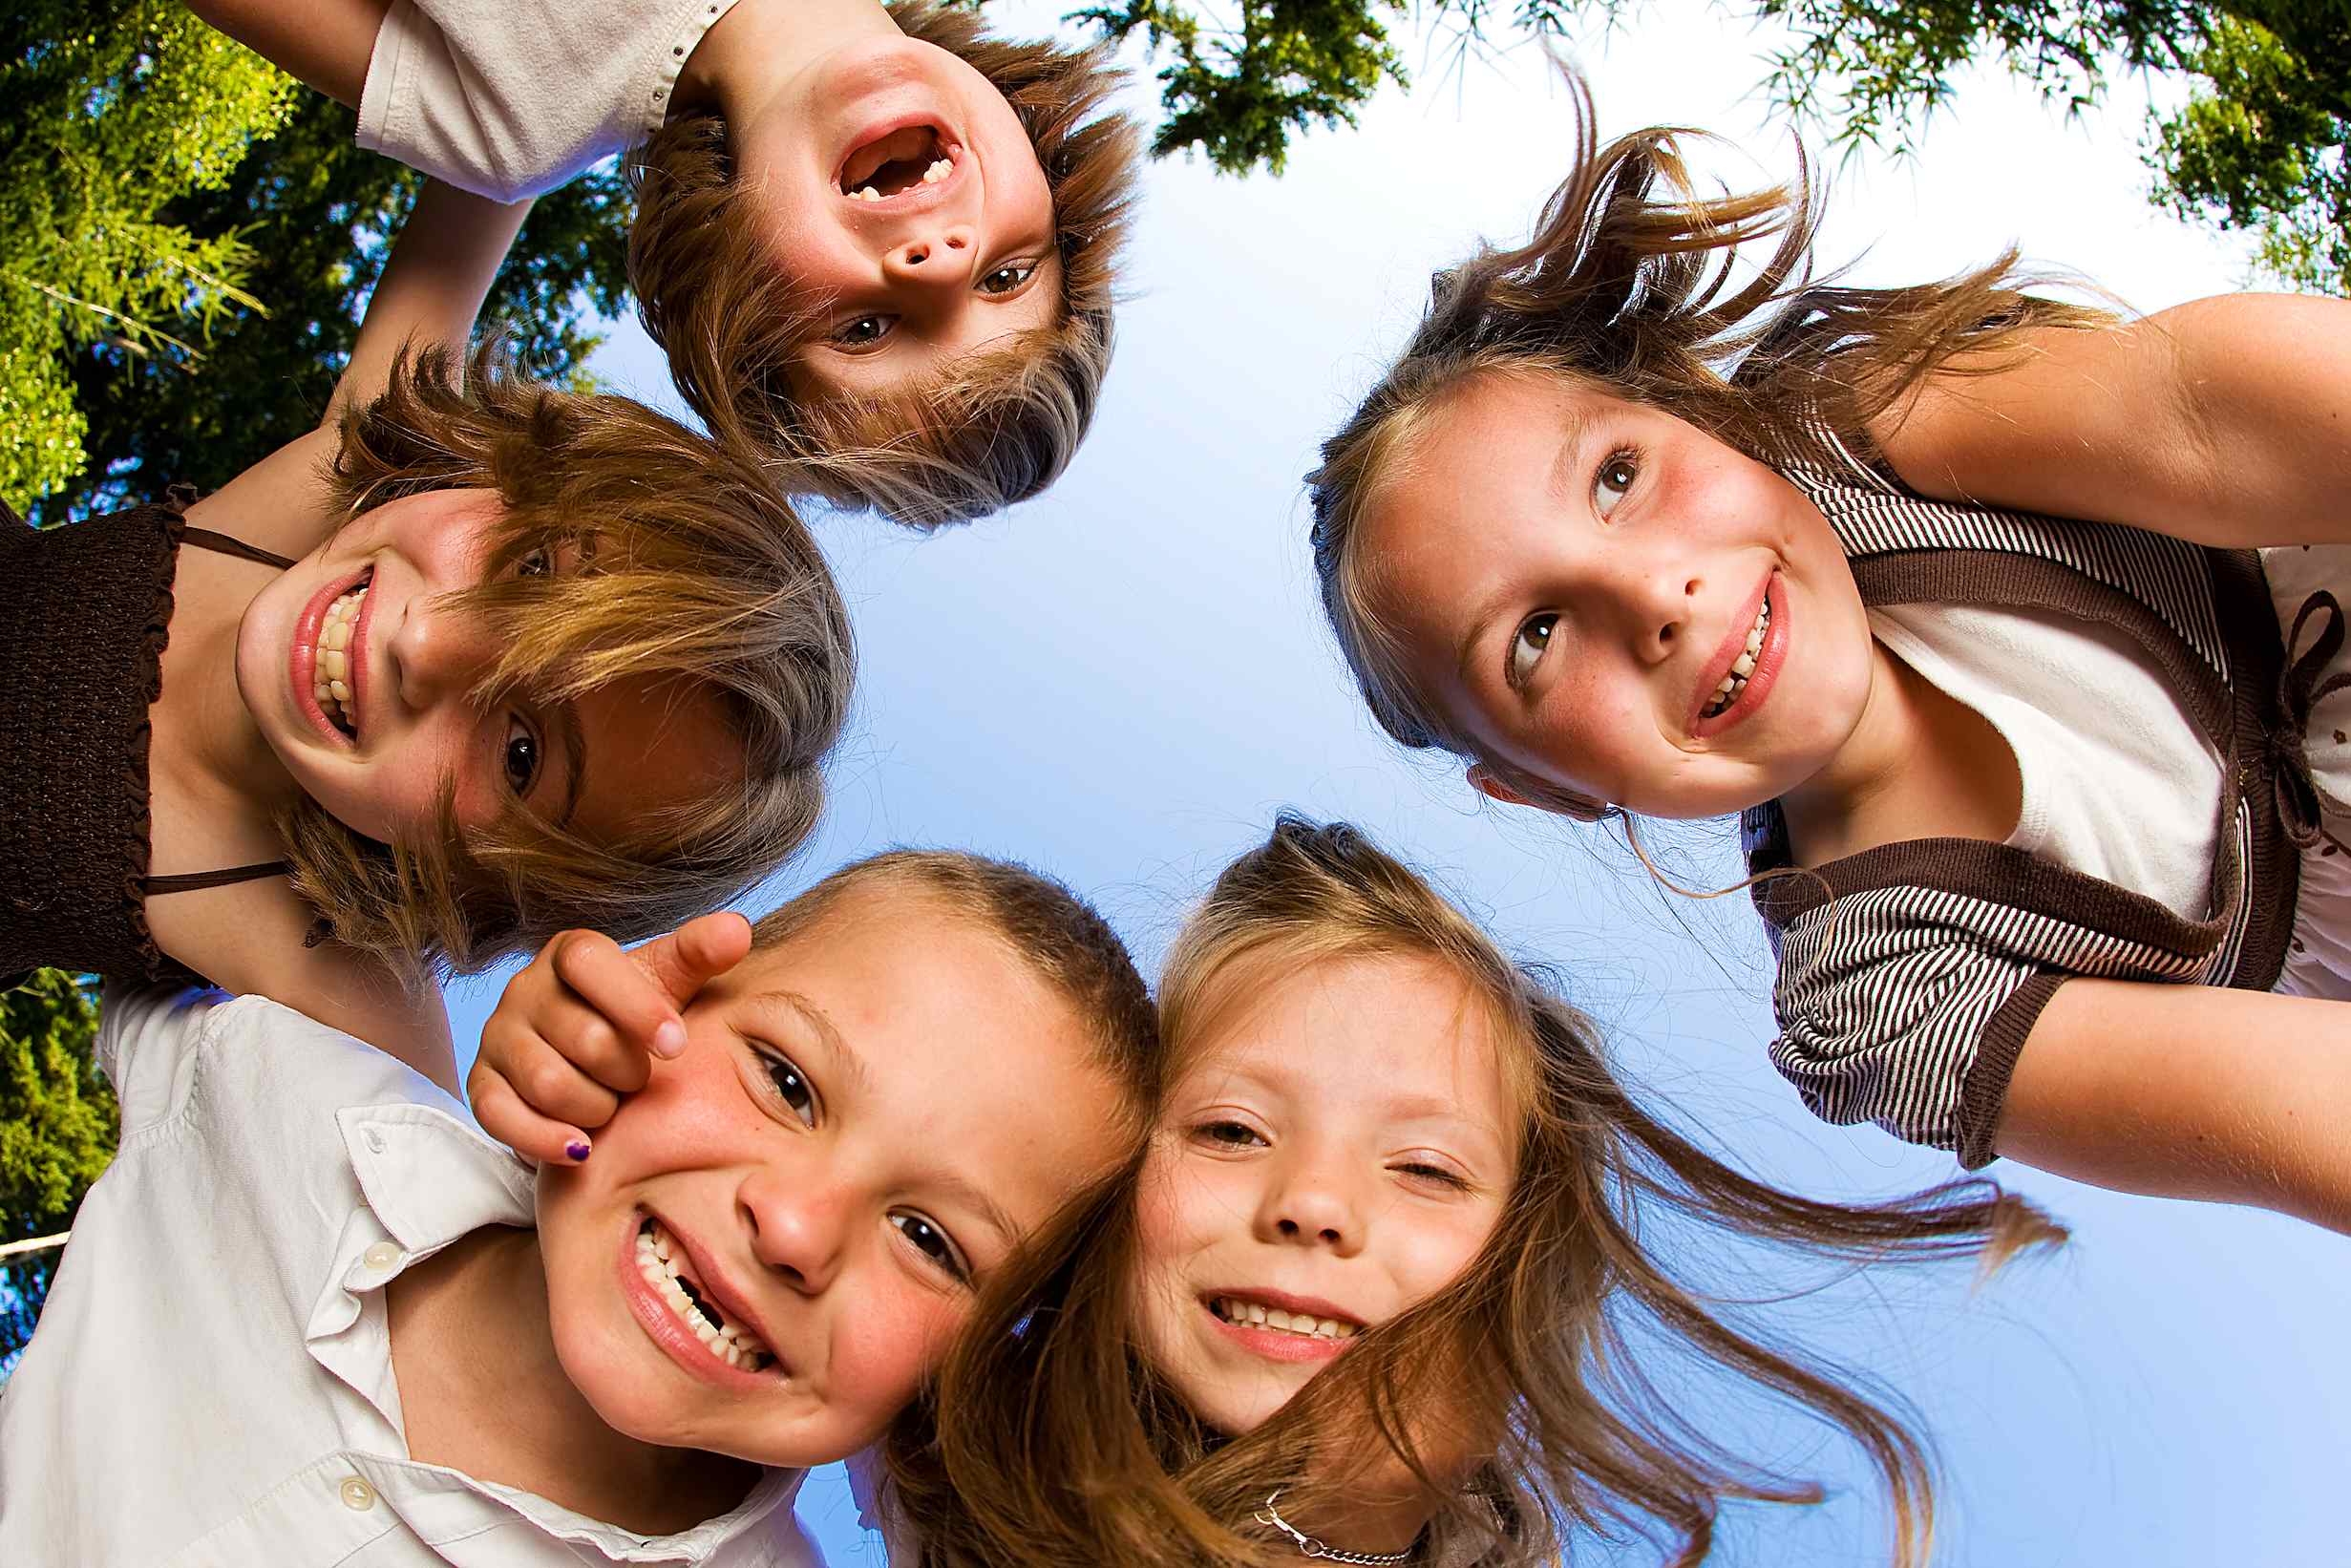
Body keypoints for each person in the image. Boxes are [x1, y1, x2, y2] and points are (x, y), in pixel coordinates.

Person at [1303, 88, 2351, 1232]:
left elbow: (2199, 415)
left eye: (1615, 476)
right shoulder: (1875, 1000)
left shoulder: (1858, 441)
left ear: (1697, 425)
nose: (1655, 597)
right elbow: (2309, 1118)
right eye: (1535, 637)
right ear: (1547, 787)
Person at [481, 816, 2060, 1565]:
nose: (1311, 1202)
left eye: (1425, 1164)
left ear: (1526, 1248)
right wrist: (599, 1072)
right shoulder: (979, 1424)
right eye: (1232, 1130)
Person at [0, 849, 1159, 1564]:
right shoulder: (283, 1096)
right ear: (657, 994)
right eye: (786, 1080)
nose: (794, 1228)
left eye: (928, 1239)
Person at [0, 178, 851, 1089]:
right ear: (513, 472)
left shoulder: (329, 987)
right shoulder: (326, 489)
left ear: (496, 879)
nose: (423, 646)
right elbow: (500, 142)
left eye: (521, 755)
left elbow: (444, 1203)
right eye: (530, 568)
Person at [183, 0, 1143, 526]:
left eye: (863, 331)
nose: (941, 265)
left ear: (734, 300)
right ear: (1052, 167)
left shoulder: (511, 120)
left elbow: (373, 415)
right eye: (1007, 279)